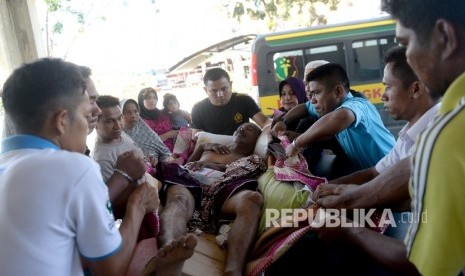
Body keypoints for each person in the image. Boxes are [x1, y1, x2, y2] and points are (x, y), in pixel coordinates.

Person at [0, 58, 159, 275]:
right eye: (86, 116)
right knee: (149, 250)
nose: (89, 122)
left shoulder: (7, 162)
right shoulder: (73, 167)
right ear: (62, 120)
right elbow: (110, 270)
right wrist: (137, 206)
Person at [144, 122, 266, 276]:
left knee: (252, 198)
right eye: (240, 127)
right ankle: (170, 247)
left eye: (249, 129)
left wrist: (214, 166)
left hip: (222, 188)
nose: (242, 129)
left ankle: (233, 270)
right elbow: (185, 168)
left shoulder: (252, 160)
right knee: (179, 200)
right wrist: (202, 148)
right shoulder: (211, 148)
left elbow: (241, 175)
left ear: (257, 140)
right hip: (190, 183)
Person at [330, 46, 441, 185]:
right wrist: (323, 187)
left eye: (388, 86)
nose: (383, 96)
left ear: (416, 89)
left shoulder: (439, 132)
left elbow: (393, 193)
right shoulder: (407, 135)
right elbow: (373, 174)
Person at [273, 63, 396, 171]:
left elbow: (343, 116)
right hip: (373, 173)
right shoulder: (329, 105)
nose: (313, 100)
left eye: (316, 93)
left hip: (395, 171)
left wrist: (297, 143)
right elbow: (305, 107)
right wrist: (283, 121)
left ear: (338, 91)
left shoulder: (358, 105)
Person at [191, 67, 270, 135]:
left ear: (231, 85)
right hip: (213, 151)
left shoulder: (244, 100)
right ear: (206, 90)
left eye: (224, 89)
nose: (220, 94)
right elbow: (197, 136)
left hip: (243, 149)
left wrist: (276, 125)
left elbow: (264, 123)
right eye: (214, 91)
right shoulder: (198, 109)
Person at [138, 87, 178, 152]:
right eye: (148, 98)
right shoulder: (139, 121)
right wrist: (168, 135)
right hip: (157, 156)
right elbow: (147, 143)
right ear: (141, 100)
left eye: (154, 98)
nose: (152, 100)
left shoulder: (163, 113)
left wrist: (183, 113)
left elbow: (175, 112)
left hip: (176, 149)